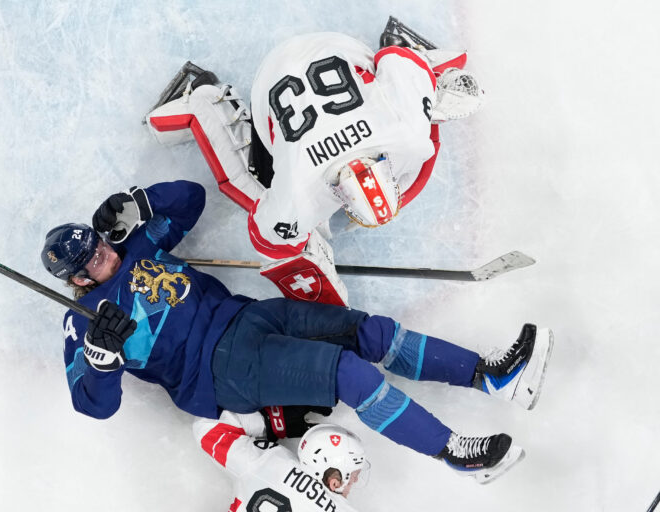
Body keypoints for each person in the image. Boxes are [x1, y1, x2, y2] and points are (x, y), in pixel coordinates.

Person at [41, 180, 553, 483]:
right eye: (93, 258)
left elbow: (190, 200)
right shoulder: (82, 321)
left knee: (370, 334)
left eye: (100, 243)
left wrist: (142, 203)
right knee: (349, 374)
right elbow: (93, 404)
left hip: (251, 316)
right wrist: (102, 356)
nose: (105, 252)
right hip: (220, 372)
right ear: (79, 279)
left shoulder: (138, 248)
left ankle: (494, 377)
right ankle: (455, 453)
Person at [146, 17, 485, 306]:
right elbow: (264, 232)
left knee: (422, 91)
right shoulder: (303, 190)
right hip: (270, 77)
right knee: (254, 189)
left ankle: (430, 84)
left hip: (331, 48)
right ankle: (205, 102)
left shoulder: (401, 132)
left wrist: (297, 245)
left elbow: (397, 57)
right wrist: (301, 242)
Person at [193, 410, 368, 511]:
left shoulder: (270, 459)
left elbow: (207, 427)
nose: (355, 480)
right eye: (353, 475)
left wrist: (270, 423)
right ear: (334, 483)